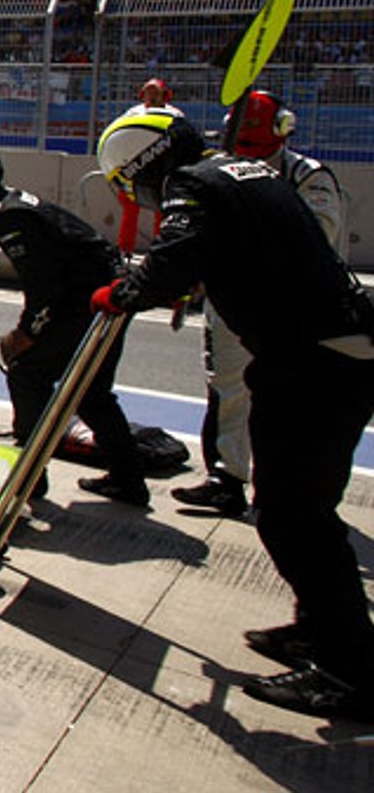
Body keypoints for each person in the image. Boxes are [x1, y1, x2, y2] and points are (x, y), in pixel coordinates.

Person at [94, 108, 374, 722]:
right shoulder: (247, 173)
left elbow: (172, 262)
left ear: (142, 163)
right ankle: (323, 632)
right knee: (304, 511)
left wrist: (125, 291)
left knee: (293, 518)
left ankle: (351, 672)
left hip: (313, 363)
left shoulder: (194, 186)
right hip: (335, 352)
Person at [0, 139, 149, 504]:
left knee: (27, 373)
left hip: (90, 302)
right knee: (92, 393)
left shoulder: (11, 217)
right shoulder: (10, 205)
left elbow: (46, 289)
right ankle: (128, 479)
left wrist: (25, 334)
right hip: (103, 295)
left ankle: (31, 476)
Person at [173, 90, 347, 519]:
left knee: (291, 402)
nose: (251, 157)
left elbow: (317, 237)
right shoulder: (217, 173)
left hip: (295, 310)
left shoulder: (309, 176)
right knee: (226, 387)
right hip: (233, 304)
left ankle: (291, 493)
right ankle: (226, 480)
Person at [114, 76, 183, 255]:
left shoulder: (174, 115)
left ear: (165, 96)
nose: (151, 96)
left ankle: (158, 251)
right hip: (135, 167)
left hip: (162, 168)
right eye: (148, 92)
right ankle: (124, 249)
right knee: (130, 210)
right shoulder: (133, 113)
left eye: (155, 93)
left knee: (162, 213)